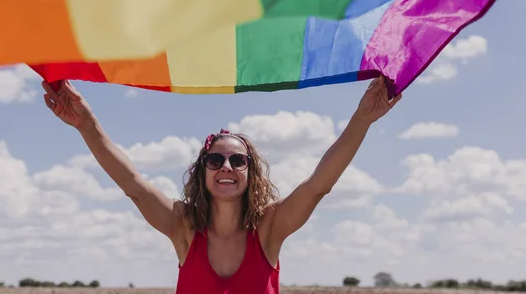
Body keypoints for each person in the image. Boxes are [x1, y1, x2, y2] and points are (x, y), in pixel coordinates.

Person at [41, 76, 401, 294]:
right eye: (215, 160)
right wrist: (86, 124)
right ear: (202, 172)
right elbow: (133, 185)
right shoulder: (182, 227)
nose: (225, 166)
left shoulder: (270, 229)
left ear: (250, 173)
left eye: (237, 160)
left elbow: (317, 186)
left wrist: (363, 118)